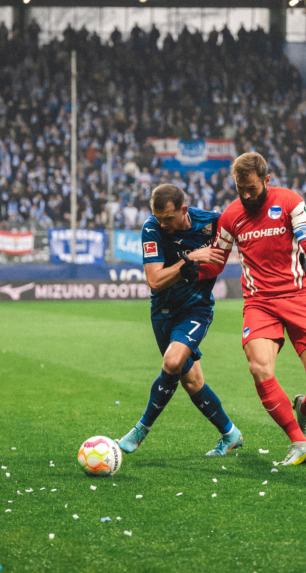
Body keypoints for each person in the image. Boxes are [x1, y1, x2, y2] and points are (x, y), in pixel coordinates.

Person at [198, 152, 306, 466]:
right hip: (259, 303)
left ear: (266, 181)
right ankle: (299, 442)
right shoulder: (231, 216)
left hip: (299, 296)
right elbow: (217, 260)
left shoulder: (289, 202)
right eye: (240, 190)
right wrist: (188, 269)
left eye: (252, 190)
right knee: (259, 368)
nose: (245, 196)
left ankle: (305, 408)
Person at [117, 184, 243, 457]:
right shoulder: (151, 228)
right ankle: (231, 434)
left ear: (183, 210)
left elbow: (239, 240)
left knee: (172, 362)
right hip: (162, 310)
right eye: (158, 217)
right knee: (192, 382)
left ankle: (141, 429)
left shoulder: (212, 223)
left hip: (196, 309)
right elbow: (154, 280)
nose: (162, 223)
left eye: (167, 218)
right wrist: (190, 260)